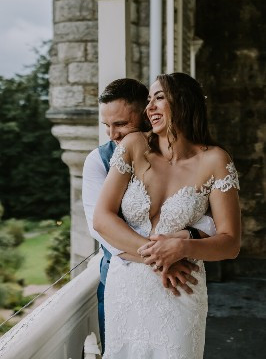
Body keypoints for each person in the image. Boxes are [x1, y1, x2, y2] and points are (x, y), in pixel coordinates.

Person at [93, 73, 241, 358]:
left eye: (159, 97)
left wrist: (183, 247)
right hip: (126, 288)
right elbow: (102, 218)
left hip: (180, 289)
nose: (150, 107)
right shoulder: (134, 145)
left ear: (185, 102)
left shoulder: (215, 161)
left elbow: (230, 242)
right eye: (149, 100)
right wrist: (160, 256)